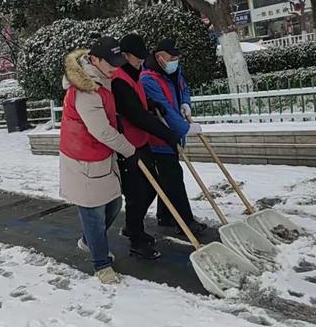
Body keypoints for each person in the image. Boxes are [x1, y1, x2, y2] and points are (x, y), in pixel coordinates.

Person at [59, 37, 140, 285]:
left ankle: (89, 241)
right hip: (82, 158)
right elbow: (101, 130)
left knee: (114, 203)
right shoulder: (85, 90)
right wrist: (130, 149)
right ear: (94, 60)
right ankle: (101, 264)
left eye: (118, 62)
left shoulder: (102, 79)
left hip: (100, 155)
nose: (115, 68)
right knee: (93, 212)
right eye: (111, 63)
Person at [112, 33, 179, 259]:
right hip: (127, 146)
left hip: (141, 141)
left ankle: (133, 227)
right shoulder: (118, 80)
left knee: (152, 187)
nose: (141, 61)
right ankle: (136, 239)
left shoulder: (134, 73)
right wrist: (167, 134)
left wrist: (153, 104)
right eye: (137, 57)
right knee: (136, 193)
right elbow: (135, 114)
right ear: (125, 56)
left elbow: (139, 102)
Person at [140, 40, 207, 235]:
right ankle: (185, 221)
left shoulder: (172, 72)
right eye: (171, 58)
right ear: (159, 57)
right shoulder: (148, 79)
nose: (175, 61)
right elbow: (165, 110)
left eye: (177, 57)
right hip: (160, 137)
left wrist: (186, 104)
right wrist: (184, 129)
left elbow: (183, 88)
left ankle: (165, 215)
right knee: (174, 178)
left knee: (167, 178)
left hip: (173, 136)